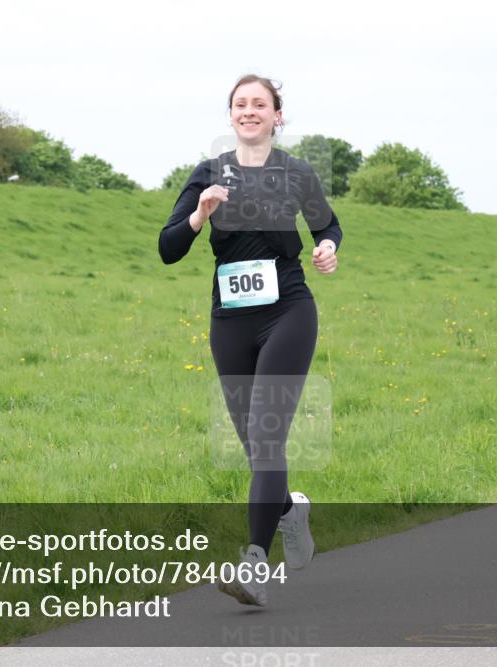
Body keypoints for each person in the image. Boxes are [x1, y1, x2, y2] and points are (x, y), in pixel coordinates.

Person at [158, 74, 343, 606]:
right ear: (231, 115)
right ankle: (289, 510)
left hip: (288, 311)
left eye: (260, 104)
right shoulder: (209, 173)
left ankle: (255, 566)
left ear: (276, 115)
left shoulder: (296, 173)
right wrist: (200, 215)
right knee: (254, 444)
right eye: (240, 104)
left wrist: (327, 249)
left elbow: (328, 226)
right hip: (230, 321)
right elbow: (168, 248)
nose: (249, 111)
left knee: (266, 436)